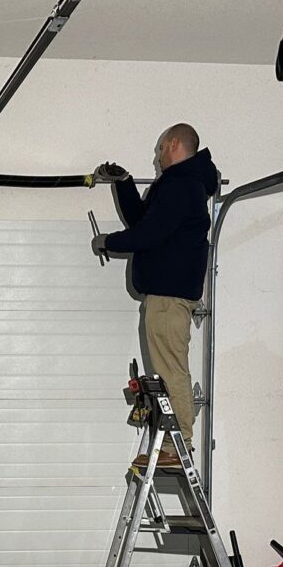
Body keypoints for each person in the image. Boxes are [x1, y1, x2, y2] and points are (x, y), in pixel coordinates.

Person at [91, 123, 218, 464]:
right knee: (166, 370)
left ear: (174, 144)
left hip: (168, 297)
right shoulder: (180, 186)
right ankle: (175, 445)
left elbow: (148, 234)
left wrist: (108, 241)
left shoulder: (183, 186)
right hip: (165, 296)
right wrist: (124, 182)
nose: (158, 155)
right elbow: (144, 221)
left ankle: (179, 446)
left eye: (160, 148)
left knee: (171, 370)